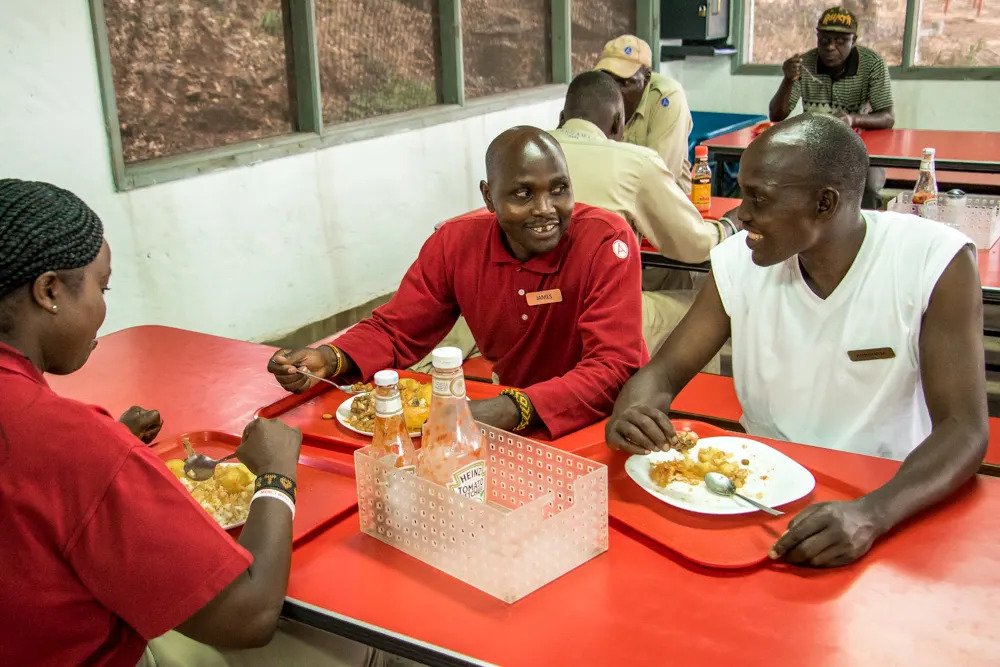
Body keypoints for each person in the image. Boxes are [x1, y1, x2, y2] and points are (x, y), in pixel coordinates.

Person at [0, 179, 391, 666]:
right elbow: (247, 617)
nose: (104, 307)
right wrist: (276, 478)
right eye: (102, 288)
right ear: (50, 291)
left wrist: (114, 451)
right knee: (342, 645)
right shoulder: (71, 440)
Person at [606, 115, 988, 568]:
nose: (740, 214)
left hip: (892, 491)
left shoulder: (931, 260)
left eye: (758, 199)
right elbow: (664, 372)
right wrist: (633, 412)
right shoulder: (737, 261)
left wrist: (874, 513)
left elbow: (964, 430)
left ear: (825, 203)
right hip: (759, 485)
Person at [268, 127, 648, 439]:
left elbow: (613, 367)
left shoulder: (605, 240)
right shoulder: (454, 244)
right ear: (488, 197)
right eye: (523, 194)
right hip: (509, 416)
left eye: (559, 189)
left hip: (602, 419)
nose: (545, 209)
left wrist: (506, 409)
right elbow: (398, 328)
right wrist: (331, 359)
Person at [549, 71, 736, 358]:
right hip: (597, 321)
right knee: (709, 304)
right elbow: (693, 245)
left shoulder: (525, 151)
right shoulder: (635, 160)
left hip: (530, 308)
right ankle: (670, 396)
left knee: (673, 277)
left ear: (563, 117)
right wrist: (727, 227)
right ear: (618, 123)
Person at [769, 6, 895, 208]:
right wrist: (788, 80)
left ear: (854, 41)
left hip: (862, 145)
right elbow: (777, 115)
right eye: (825, 40)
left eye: (841, 41)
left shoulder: (872, 64)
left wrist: (852, 119)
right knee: (788, 179)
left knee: (869, 186)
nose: (830, 47)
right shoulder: (805, 63)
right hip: (815, 143)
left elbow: (887, 117)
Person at [595, 35, 694, 193]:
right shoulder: (597, 94)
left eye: (625, 82)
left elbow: (660, 174)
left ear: (647, 77)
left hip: (665, 198)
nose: (615, 91)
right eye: (609, 80)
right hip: (616, 192)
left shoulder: (667, 97)